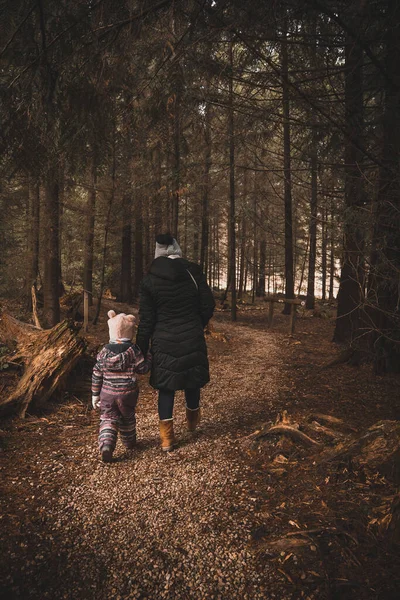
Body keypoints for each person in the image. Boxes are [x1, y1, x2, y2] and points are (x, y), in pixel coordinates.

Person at [136, 233, 215, 451]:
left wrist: (140, 348)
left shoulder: (149, 279)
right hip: (192, 334)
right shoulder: (193, 272)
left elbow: (147, 319)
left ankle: (167, 439)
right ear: (177, 250)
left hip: (163, 338)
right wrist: (197, 324)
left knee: (166, 386)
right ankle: (191, 422)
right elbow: (208, 304)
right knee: (192, 378)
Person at [92, 310, 151, 463]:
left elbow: (97, 374)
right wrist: (150, 357)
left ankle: (106, 445)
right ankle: (129, 442)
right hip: (127, 394)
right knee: (127, 418)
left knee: (107, 419)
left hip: (107, 394)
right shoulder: (133, 351)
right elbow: (142, 369)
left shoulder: (103, 353)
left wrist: (94, 395)